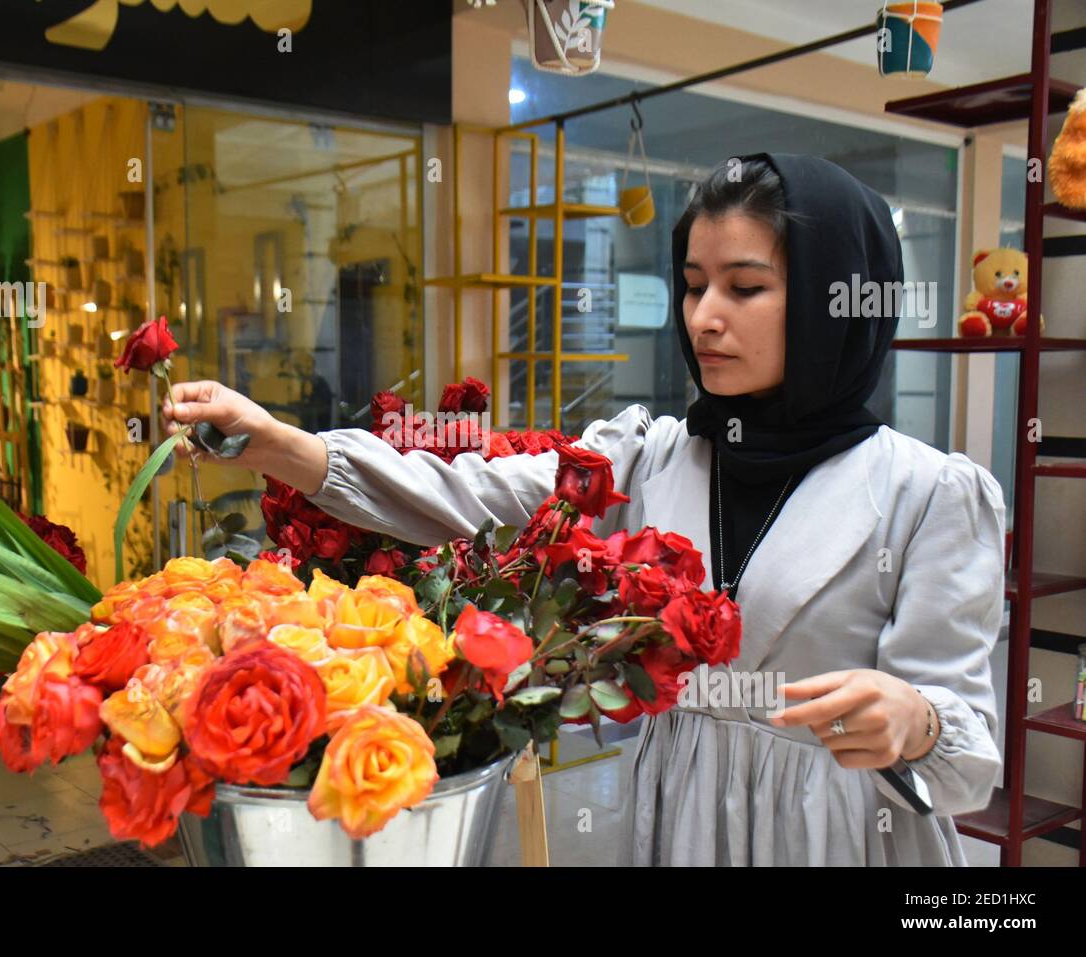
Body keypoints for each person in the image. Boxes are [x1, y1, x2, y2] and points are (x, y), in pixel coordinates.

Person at [161, 153, 1005, 867]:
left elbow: (971, 761)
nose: (704, 318)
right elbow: (468, 494)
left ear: (833, 301)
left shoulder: (926, 495)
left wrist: (916, 718)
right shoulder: (650, 454)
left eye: (745, 288)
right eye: (693, 285)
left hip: (843, 831)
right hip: (680, 816)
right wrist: (278, 444)